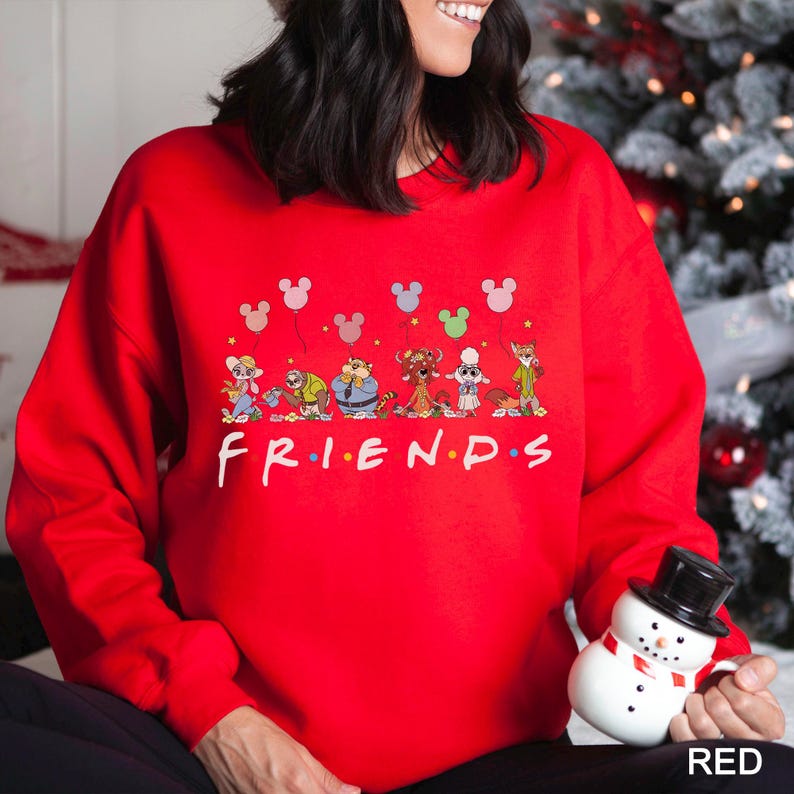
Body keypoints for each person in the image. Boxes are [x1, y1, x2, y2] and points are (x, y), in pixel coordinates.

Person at [3, 1, 792, 792]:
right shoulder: (171, 189)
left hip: (496, 767)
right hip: (225, 759)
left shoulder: (567, 187)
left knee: (759, 774)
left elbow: (636, 502)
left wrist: (700, 666)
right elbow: (71, 495)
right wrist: (215, 720)